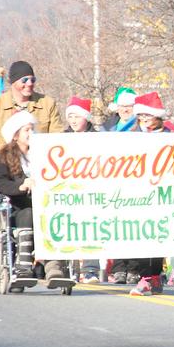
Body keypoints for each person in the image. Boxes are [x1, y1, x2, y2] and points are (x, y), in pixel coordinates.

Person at [0, 60, 65, 283]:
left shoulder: (47, 104)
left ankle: (53, 264)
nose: (29, 84)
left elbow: (57, 137)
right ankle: (1, 267)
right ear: (14, 83)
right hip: (4, 169)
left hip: (39, 169)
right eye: (24, 80)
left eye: (32, 80)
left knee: (50, 211)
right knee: (2, 216)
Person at [122, 92, 170, 296]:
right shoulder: (131, 135)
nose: (144, 122)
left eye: (148, 117)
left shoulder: (171, 135)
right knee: (141, 236)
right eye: (141, 118)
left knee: (157, 236)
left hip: (161, 193)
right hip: (138, 194)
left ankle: (155, 276)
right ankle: (145, 277)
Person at [0, 112, 38, 281]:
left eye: (32, 129)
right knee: (27, 212)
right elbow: (0, 183)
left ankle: (55, 266)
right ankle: (23, 263)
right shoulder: (4, 157)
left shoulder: (41, 153)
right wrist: (21, 186)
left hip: (42, 203)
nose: (31, 133)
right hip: (17, 204)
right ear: (16, 134)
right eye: (27, 130)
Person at [64, 96, 102, 283]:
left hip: (91, 190)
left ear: (86, 118)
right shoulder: (61, 139)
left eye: (77, 116)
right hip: (68, 189)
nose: (73, 121)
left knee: (90, 228)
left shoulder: (96, 138)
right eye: (70, 116)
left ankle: (90, 270)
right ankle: (67, 267)